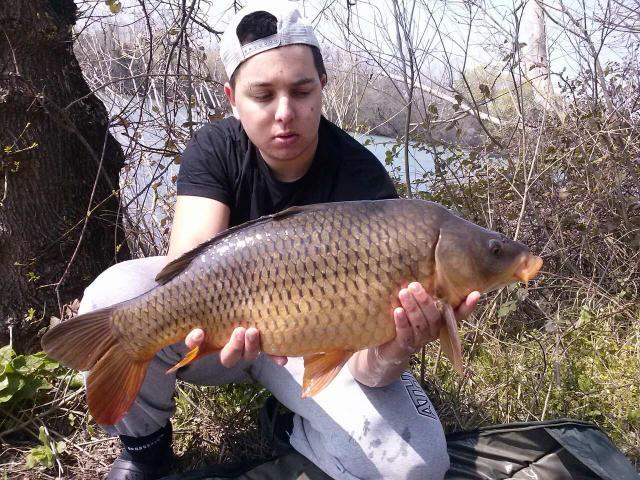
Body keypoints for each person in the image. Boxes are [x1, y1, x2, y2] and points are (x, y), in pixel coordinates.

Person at [80, 2, 480, 479]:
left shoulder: (363, 182)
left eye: (301, 90)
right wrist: (203, 332)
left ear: (323, 87)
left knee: (416, 467)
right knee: (118, 298)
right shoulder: (215, 148)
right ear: (232, 98)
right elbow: (186, 267)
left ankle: (293, 424)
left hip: (316, 348)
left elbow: (367, 369)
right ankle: (146, 450)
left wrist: (398, 347)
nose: (285, 113)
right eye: (263, 95)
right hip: (225, 336)